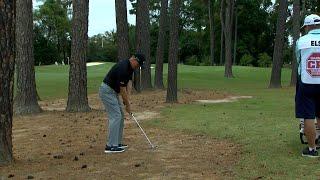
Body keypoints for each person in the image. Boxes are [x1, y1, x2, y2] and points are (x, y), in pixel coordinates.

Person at [99, 53, 145, 153]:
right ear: (133, 59)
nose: (138, 67)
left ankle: (117, 143)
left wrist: (128, 99)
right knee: (115, 116)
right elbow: (122, 89)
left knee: (120, 115)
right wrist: (127, 104)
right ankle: (110, 146)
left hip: (113, 92)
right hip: (107, 91)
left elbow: (129, 82)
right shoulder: (124, 67)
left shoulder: (130, 68)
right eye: (138, 64)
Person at [296, 14, 320, 157]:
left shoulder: (302, 41)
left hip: (308, 82)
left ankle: (312, 149)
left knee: (308, 116)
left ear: (309, 26)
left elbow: (299, 61)